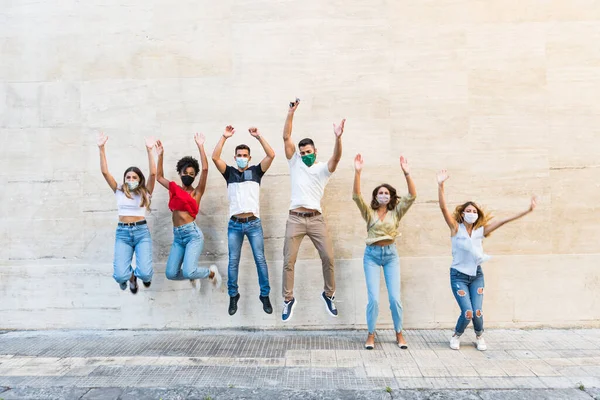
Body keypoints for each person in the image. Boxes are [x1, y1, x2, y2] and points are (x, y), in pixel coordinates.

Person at [437, 169, 537, 351]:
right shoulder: (455, 228)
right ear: (462, 214)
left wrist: (527, 210)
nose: (471, 213)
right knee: (467, 312)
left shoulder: (480, 231)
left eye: (474, 211)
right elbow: (443, 208)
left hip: (476, 276)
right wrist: (441, 185)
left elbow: (504, 221)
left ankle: (479, 335)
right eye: (468, 211)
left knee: (477, 312)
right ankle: (456, 336)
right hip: (458, 276)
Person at [281, 98, 345, 322]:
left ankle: (329, 294)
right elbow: (287, 137)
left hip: (316, 219)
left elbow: (336, 158)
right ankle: (288, 299)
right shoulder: (295, 162)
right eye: (302, 151)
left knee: (328, 257)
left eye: (308, 151)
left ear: (315, 151)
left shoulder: (321, 170)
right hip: (295, 218)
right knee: (289, 260)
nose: (305, 154)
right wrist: (291, 113)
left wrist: (338, 137)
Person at [352, 154, 416, 349]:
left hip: (391, 256)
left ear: (390, 197)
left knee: (395, 298)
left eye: (387, 193)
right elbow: (356, 196)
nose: (383, 195)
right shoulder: (369, 212)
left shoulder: (396, 212)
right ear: (375, 196)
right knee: (373, 299)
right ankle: (371, 335)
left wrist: (407, 173)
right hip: (371, 255)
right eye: (380, 192)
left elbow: (412, 196)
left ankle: (399, 333)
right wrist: (357, 172)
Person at [212, 125, 276, 316]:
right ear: (235, 157)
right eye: (239, 154)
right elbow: (215, 158)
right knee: (233, 261)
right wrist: (224, 137)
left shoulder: (256, 172)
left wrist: (258, 137)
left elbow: (271, 155)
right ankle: (233, 295)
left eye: (244, 155)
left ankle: (264, 295)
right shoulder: (230, 173)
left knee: (260, 260)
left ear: (249, 157)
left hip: (253, 223)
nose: (241, 157)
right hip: (235, 225)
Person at [156, 134, 222, 289]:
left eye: (192, 174)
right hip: (178, 236)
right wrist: (160, 155)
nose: (188, 176)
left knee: (189, 271)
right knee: (171, 274)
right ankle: (193, 275)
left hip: (192, 235)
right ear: (180, 173)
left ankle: (210, 273)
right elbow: (158, 177)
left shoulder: (196, 192)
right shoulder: (174, 188)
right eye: (185, 173)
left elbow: (205, 169)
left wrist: (200, 146)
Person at [97, 132, 156, 294]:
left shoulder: (146, 192)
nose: (130, 179)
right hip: (123, 233)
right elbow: (104, 172)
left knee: (145, 273)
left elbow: (152, 174)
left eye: (134, 177)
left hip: (141, 232)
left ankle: (141, 276)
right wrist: (101, 148)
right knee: (119, 276)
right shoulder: (119, 191)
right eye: (128, 177)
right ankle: (131, 277)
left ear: (139, 179)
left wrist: (149, 150)